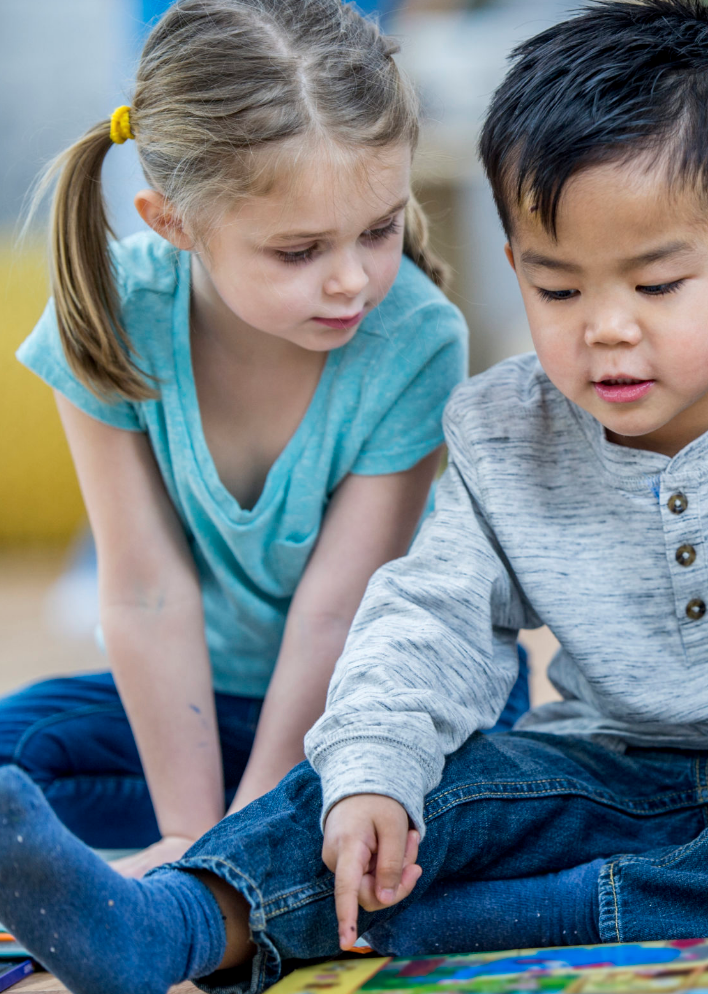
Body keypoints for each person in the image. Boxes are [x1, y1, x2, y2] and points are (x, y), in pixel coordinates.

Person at [0, 6, 708, 994]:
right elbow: (429, 615)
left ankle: (492, 919)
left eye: (657, 286)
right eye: (558, 289)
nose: (606, 328)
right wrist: (375, 773)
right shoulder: (502, 426)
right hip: (593, 778)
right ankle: (170, 927)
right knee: (389, 780)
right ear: (514, 271)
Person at [6, 0, 528, 878]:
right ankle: (249, 857)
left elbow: (336, 615)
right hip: (199, 709)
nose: (353, 279)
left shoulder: (416, 339)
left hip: (379, 703)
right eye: (299, 251)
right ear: (172, 222)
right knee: (14, 754)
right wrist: (190, 834)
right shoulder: (108, 316)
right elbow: (145, 593)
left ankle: (252, 870)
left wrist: (227, 851)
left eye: (379, 229)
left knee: (433, 804)